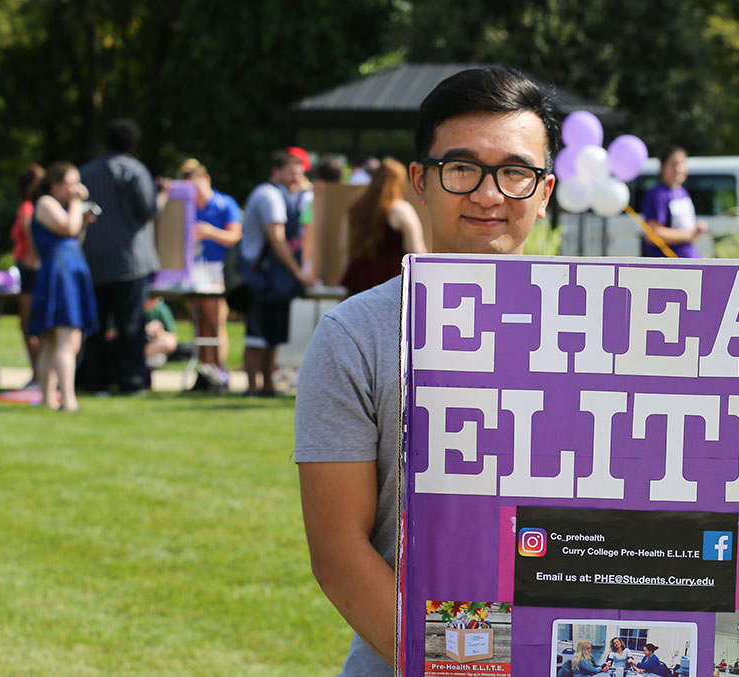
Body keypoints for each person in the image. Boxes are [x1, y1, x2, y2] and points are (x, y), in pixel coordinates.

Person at [295, 66, 559, 675]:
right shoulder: (354, 337)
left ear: (544, 192)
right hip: (408, 659)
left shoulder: (617, 335)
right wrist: (470, 664)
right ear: (421, 180)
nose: (490, 194)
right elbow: (338, 551)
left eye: (516, 172)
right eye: (463, 168)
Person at [78, 118, 160, 394]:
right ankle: (131, 380)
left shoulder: (86, 173)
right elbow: (147, 209)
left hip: (94, 260)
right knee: (131, 324)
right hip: (130, 261)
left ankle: (96, 379)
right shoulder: (135, 171)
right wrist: (163, 195)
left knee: (96, 325)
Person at [239, 150, 313, 396]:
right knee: (257, 337)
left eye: (300, 173)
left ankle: (268, 385)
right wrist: (298, 272)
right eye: (292, 173)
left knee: (272, 336)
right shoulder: (268, 195)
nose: (297, 178)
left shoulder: (288, 196)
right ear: (277, 171)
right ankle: (252, 387)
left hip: (276, 279)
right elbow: (277, 239)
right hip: (262, 277)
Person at [29, 162, 99, 411]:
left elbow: (73, 239)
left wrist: (84, 223)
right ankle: (67, 399)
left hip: (68, 272)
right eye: (72, 182)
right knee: (64, 338)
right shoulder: (46, 202)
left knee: (54, 340)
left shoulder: (63, 207)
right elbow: (68, 228)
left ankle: (49, 399)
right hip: (59, 276)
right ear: (56, 185)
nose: (78, 188)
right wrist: (78, 205)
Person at [178, 159, 241, 390]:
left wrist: (209, 232)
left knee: (216, 323)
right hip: (193, 271)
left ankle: (219, 369)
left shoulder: (225, 204)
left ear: (206, 180)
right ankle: (206, 370)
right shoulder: (187, 207)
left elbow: (235, 236)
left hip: (219, 270)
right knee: (199, 323)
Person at [339, 158, 426, 296]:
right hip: (391, 280)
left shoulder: (354, 208)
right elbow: (416, 251)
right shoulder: (401, 210)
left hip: (359, 279)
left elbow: (345, 246)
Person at [11, 164, 46, 388]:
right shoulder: (32, 207)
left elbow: (30, 236)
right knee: (32, 325)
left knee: (29, 325)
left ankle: (38, 375)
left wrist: (34, 257)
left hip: (30, 270)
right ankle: (38, 373)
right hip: (30, 270)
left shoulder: (28, 208)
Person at [641, 146, 707, 257]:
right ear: (663, 167)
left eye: (682, 163)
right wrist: (687, 235)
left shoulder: (683, 192)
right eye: (673, 164)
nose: (678, 169)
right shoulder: (657, 194)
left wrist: (697, 229)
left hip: (689, 259)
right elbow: (652, 234)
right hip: (669, 265)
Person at [142, 296, 178, 369]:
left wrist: (159, 332)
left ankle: (142, 360)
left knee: (168, 343)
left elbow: (172, 337)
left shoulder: (161, 308)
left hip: (151, 346)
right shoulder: (132, 306)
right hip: (135, 343)